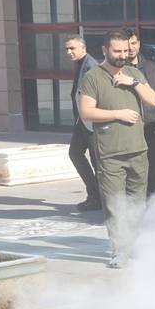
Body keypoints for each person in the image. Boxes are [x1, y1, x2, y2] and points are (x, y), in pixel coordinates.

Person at [77, 30, 155, 268]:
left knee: (136, 202)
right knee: (115, 204)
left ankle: (134, 246)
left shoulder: (133, 72)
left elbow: (153, 100)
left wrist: (132, 83)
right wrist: (117, 114)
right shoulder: (93, 77)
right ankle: (119, 250)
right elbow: (86, 112)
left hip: (138, 150)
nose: (123, 55)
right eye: (117, 51)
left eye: (126, 50)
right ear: (105, 50)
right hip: (110, 153)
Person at [125, 28, 155, 199]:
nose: (131, 48)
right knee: (131, 171)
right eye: (127, 45)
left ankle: (151, 208)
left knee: (153, 170)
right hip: (127, 129)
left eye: (134, 43)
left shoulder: (152, 68)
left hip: (150, 127)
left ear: (139, 44)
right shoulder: (119, 70)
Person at [65, 35, 101, 211]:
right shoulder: (81, 64)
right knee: (75, 153)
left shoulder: (91, 66)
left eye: (72, 48)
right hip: (82, 122)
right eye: (67, 49)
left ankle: (99, 197)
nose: (69, 52)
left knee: (97, 162)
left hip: (92, 123)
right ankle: (95, 193)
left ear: (83, 48)